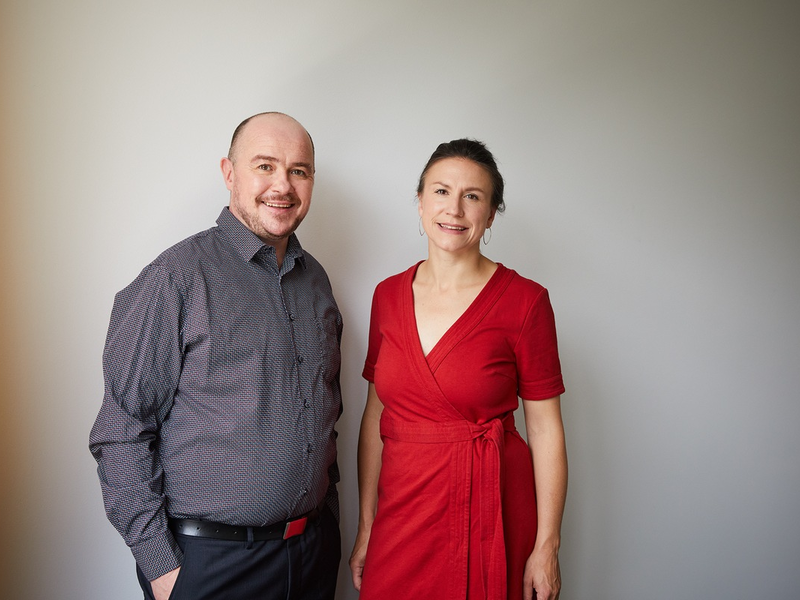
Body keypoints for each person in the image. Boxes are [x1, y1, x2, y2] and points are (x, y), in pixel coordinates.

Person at [90, 112, 342, 600]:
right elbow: (121, 431)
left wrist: (328, 522)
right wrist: (164, 571)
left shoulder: (318, 284)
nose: (282, 186)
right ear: (229, 173)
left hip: (312, 555)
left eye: (299, 170)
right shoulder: (174, 279)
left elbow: (327, 415)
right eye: (264, 166)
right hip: (211, 566)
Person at [349, 139, 567, 600]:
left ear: (490, 215)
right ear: (421, 201)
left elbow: (546, 430)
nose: (455, 208)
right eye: (441, 191)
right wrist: (367, 524)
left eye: (473, 196)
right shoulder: (386, 297)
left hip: (490, 510)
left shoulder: (526, 301)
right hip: (402, 514)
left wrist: (546, 546)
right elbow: (374, 419)